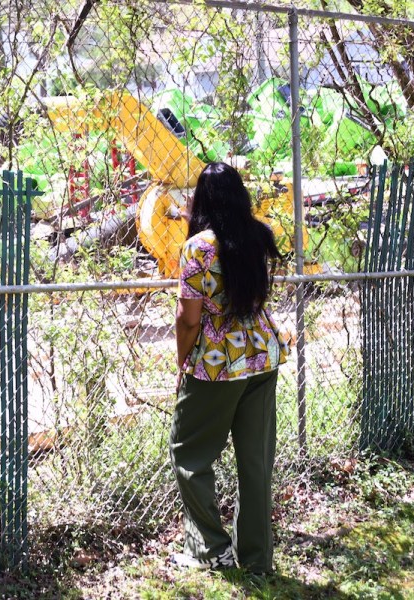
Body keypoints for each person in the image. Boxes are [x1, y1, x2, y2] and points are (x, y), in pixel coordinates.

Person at [169, 162, 288, 573]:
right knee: (255, 463)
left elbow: (189, 318)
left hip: (218, 365)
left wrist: (182, 359)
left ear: (202, 199)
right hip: (262, 357)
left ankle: (211, 550)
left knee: (188, 453)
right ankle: (256, 560)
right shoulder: (257, 235)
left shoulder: (199, 246)